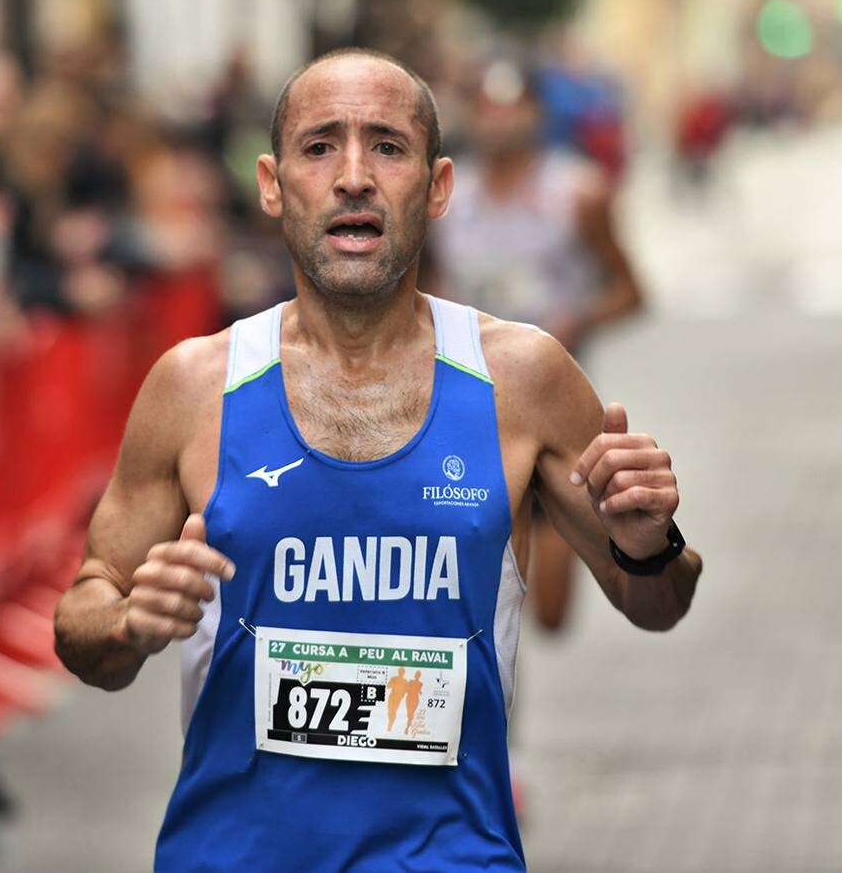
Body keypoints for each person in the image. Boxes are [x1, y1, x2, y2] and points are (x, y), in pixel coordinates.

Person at [53, 48, 701, 870]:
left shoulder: (524, 378)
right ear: (271, 183)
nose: (353, 176)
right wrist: (125, 624)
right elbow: (83, 622)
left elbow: (661, 605)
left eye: (387, 147)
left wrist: (651, 546)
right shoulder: (194, 387)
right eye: (320, 146)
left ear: (435, 189)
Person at [434, 58, 645, 633]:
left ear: (538, 114)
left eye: (514, 106)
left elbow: (633, 292)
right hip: (468, 419)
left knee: (549, 614)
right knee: (474, 603)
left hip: (549, 419)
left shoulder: (577, 192)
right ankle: (487, 710)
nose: (500, 121)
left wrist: (577, 320)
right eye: (488, 107)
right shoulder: (442, 198)